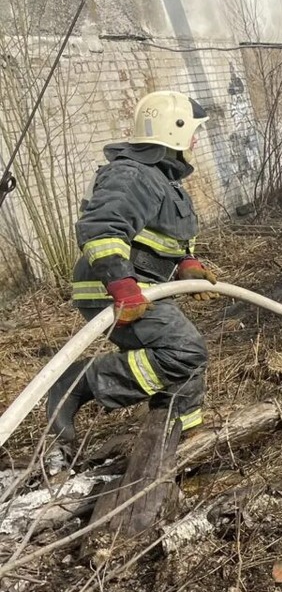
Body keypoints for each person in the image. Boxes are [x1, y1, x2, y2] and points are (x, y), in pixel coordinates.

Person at [45, 91, 218, 462]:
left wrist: (186, 263)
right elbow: (102, 228)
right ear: (175, 131)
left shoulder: (161, 179)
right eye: (193, 130)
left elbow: (162, 236)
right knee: (184, 351)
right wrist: (123, 286)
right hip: (112, 289)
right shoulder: (131, 175)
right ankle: (79, 384)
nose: (196, 139)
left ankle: (180, 437)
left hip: (146, 288)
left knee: (182, 356)